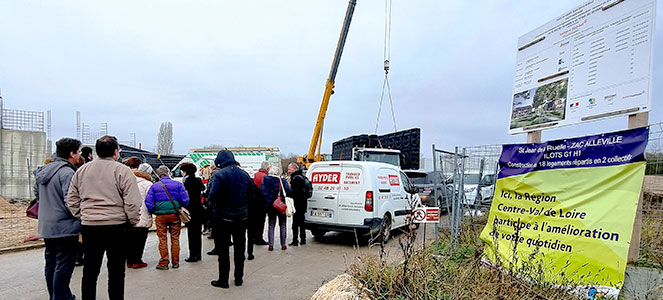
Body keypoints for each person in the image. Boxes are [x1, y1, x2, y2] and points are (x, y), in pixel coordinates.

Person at [67, 136, 142, 300]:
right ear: (116, 152)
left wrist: (83, 215)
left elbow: (72, 199)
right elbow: (133, 201)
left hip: (90, 226)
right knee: (116, 271)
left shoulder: (82, 170)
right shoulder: (122, 171)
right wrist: (132, 220)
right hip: (116, 225)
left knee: (90, 271)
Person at [36, 137, 81, 300]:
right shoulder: (67, 173)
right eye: (78, 151)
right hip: (65, 227)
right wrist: (80, 217)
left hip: (47, 225)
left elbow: (37, 197)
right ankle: (61, 297)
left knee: (51, 263)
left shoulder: (44, 171)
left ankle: (56, 295)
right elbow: (71, 202)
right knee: (64, 265)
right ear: (71, 153)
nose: (79, 155)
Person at [208, 150, 253, 288]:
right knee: (240, 250)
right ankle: (238, 278)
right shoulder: (244, 174)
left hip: (223, 218)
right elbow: (252, 195)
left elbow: (213, 196)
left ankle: (223, 280)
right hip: (241, 217)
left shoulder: (220, 175)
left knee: (223, 251)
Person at [145, 165, 189, 270]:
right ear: (168, 173)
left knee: (162, 239)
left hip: (161, 216)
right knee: (175, 238)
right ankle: (175, 262)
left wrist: (155, 211)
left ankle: (164, 262)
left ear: (159, 175)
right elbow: (185, 200)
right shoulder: (178, 185)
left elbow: (148, 203)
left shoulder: (154, 186)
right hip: (174, 215)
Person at [123, 158, 153, 269]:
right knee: (140, 240)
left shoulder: (127, 181)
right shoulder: (147, 184)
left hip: (128, 214)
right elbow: (150, 200)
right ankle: (137, 260)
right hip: (143, 213)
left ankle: (129, 260)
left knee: (128, 239)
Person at [261, 167, 291, 251]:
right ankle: (283, 244)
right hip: (280, 204)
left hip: (270, 205)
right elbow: (288, 191)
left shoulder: (265, 180)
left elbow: (262, 192)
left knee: (271, 224)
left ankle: (271, 245)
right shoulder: (282, 181)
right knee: (283, 224)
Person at [181, 162, 205, 263]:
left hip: (190, 209)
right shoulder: (198, 180)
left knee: (191, 233)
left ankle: (192, 255)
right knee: (197, 233)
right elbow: (203, 190)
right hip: (199, 208)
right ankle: (198, 254)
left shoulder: (186, 182)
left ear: (185, 172)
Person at [287, 162, 309, 246]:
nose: (288, 171)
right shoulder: (302, 176)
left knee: (295, 224)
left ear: (294, 169)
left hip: (297, 204)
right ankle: (303, 240)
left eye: (289, 169)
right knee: (302, 223)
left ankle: (295, 240)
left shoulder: (295, 178)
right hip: (303, 203)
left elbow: (295, 193)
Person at [251, 161, 270, 245]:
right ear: (267, 168)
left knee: (254, 220)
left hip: (254, 201)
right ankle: (259, 238)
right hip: (262, 201)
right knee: (261, 221)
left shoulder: (255, 175)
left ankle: (254, 237)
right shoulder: (265, 177)